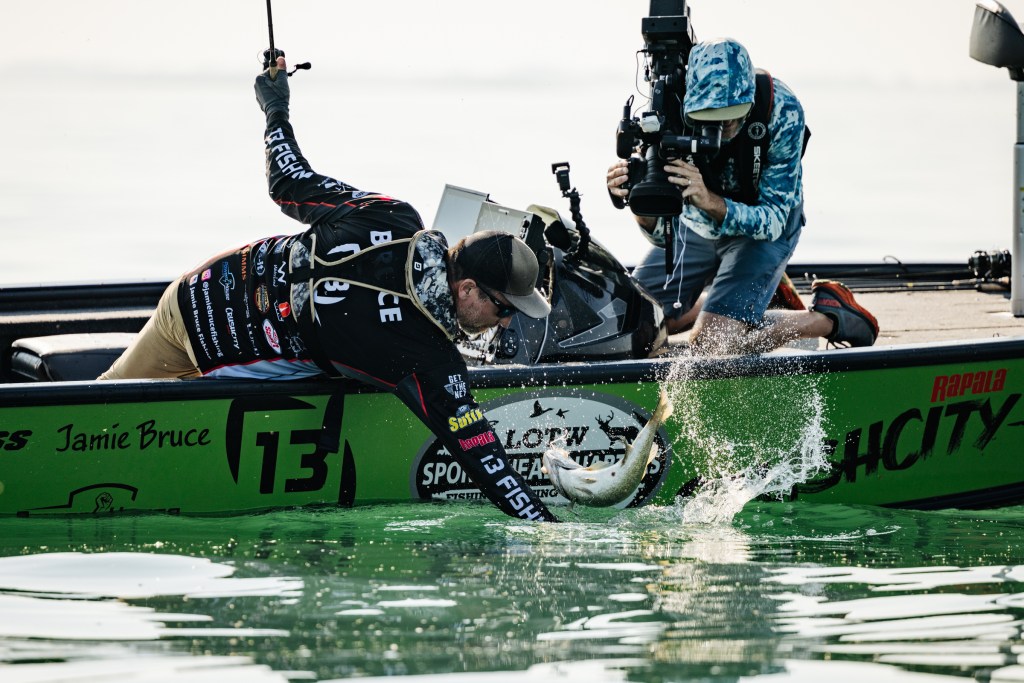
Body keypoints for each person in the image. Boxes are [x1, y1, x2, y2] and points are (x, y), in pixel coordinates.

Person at [99, 56, 558, 523]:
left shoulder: (393, 215)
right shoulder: (428, 358)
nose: (505, 322)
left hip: (192, 294)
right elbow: (483, 456)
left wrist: (275, 106)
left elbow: (287, 182)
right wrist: (546, 526)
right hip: (220, 355)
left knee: (99, 415)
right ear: (467, 289)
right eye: (503, 308)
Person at [607, 38, 878, 355]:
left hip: (762, 229)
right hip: (698, 223)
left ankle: (827, 317)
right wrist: (640, 205)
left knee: (712, 347)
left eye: (734, 116)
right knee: (632, 322)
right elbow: (659, 237)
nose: (724, 127)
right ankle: (748, 301)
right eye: (711, 118)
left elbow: (774, 220)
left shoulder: (782, 111)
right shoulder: (672, 113)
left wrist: (710, 201)